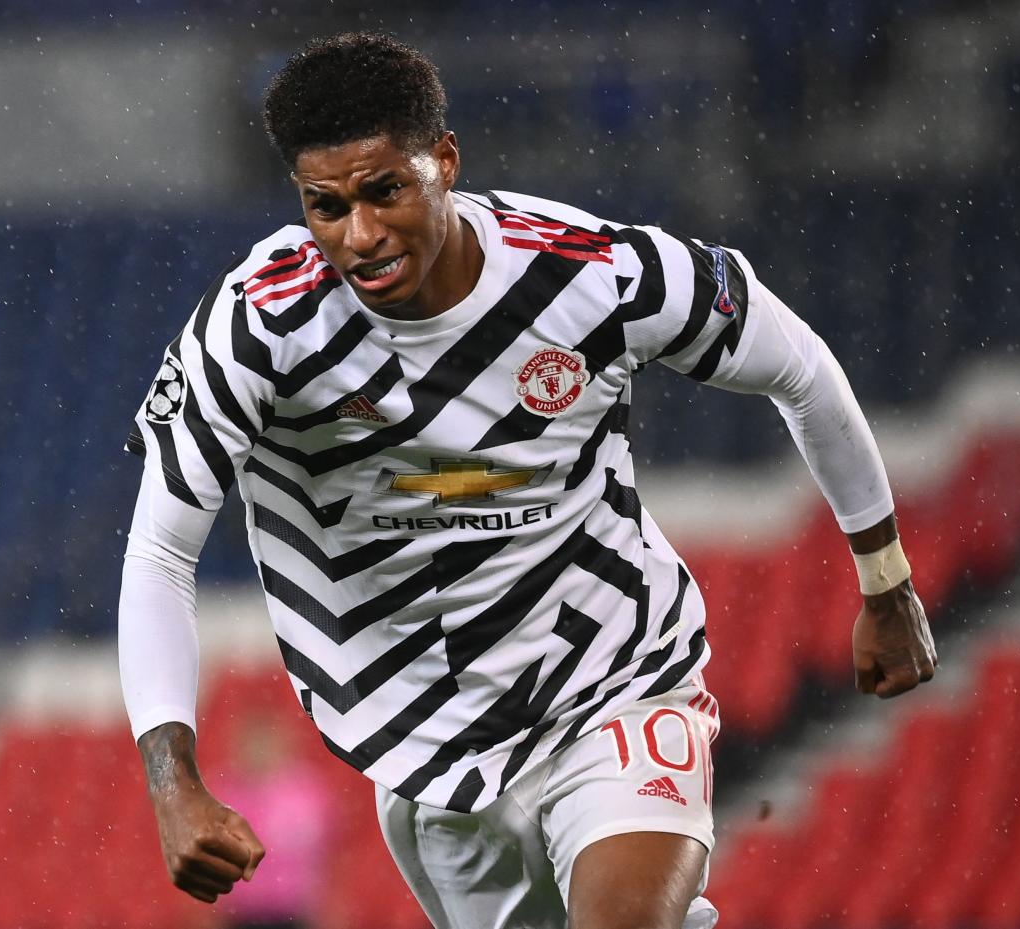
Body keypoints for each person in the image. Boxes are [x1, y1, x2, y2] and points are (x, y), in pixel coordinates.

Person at [117, 32, 937, 929]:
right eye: (327, 205)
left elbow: (801, 369)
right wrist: (172, 778)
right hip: (426, 751)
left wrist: (886, 580)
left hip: (613, 682)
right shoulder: (259, 327)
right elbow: (160, 549)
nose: (361, 235)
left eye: (386, 190)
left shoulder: (596, 275)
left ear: (445, 161)